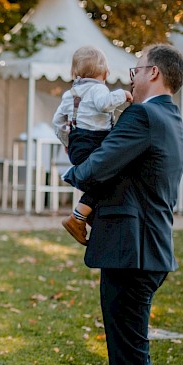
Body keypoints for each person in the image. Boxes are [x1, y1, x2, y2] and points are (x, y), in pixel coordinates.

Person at [62, 44, 183, 365]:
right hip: (148, 249)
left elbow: (99, 165)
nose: (129, 76)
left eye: (135, 69)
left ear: (152, 72)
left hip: (131, 252)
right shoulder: (171, 119)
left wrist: (72, 174)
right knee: (138, 353)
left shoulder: (141, 116)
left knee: (127, 357)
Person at [53, 46, 133, 245]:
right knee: (109, 176)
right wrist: (123, 95)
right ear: (105, 73)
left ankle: (89, 214)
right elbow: (104, 104)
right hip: (94, 142)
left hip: (77, 144)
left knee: (99, 180)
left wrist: (66, 141)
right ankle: (78, 216)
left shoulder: (70, 93)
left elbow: (58, 121)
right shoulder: (99, 89)